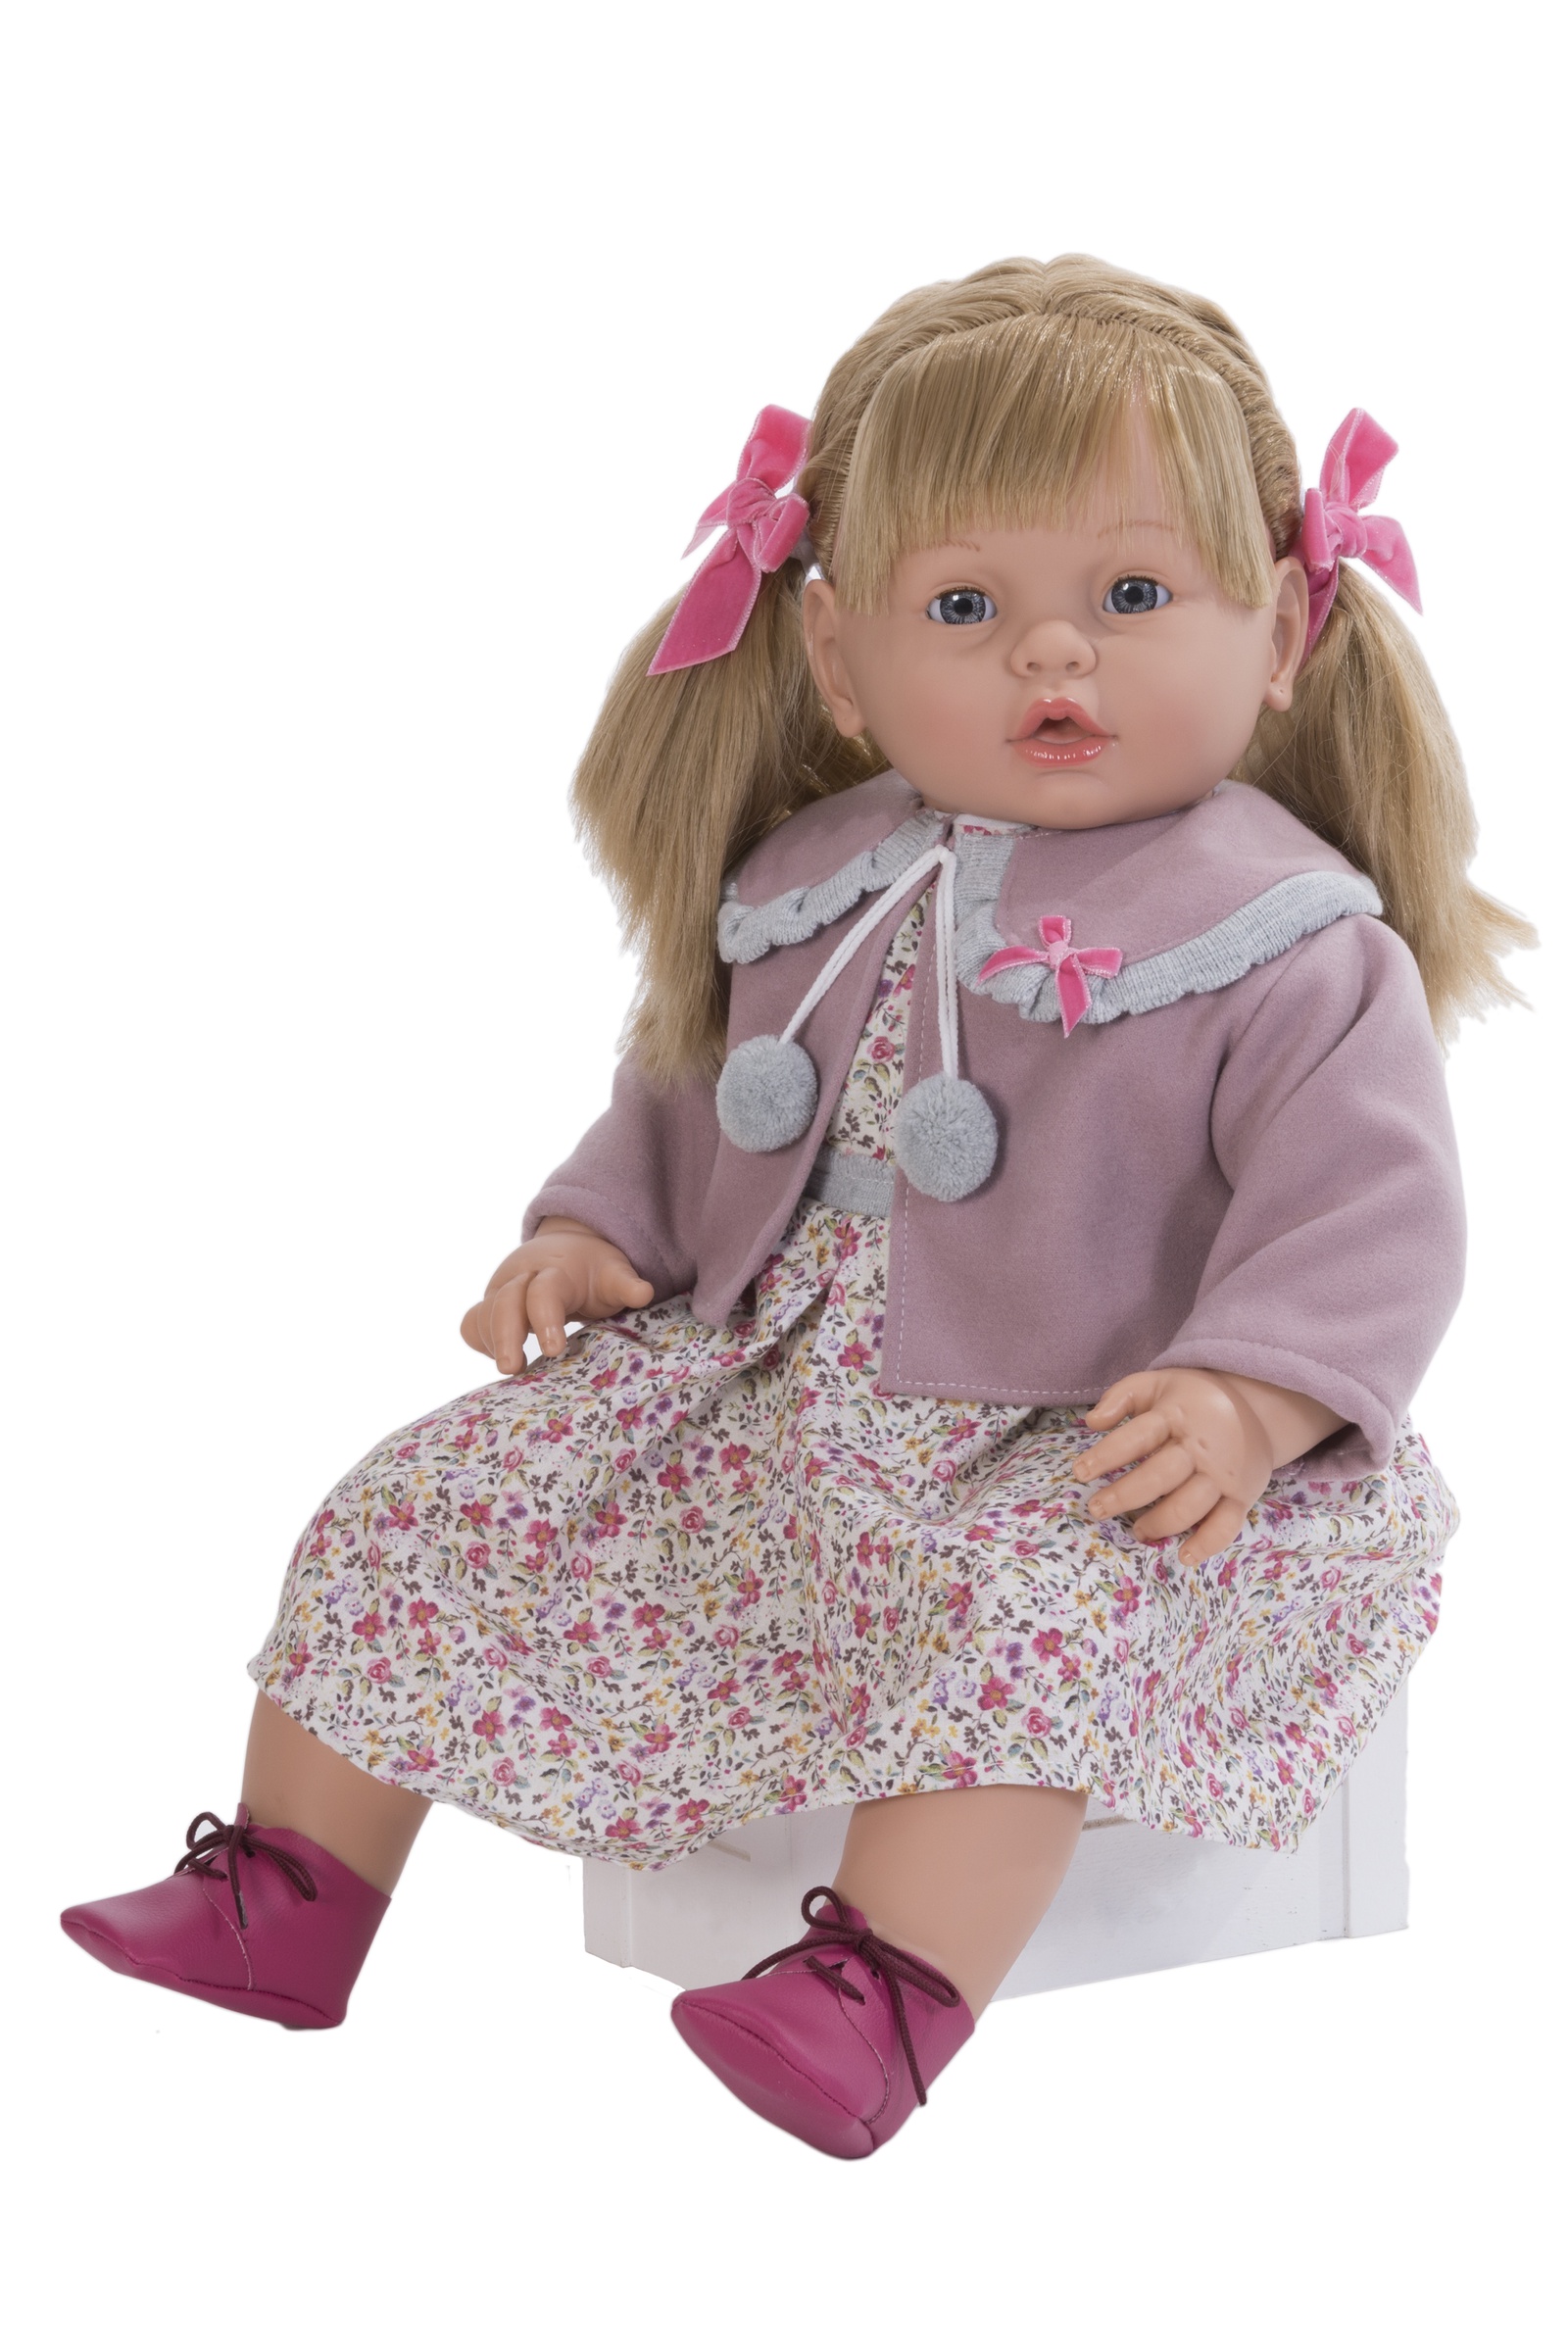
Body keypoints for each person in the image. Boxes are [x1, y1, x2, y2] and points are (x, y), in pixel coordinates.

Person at [61, 256, 1530, 2160]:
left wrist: (1253, 1394)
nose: (1052, 656)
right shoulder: (812, 880)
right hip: (779, 1376)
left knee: (1025, 1612)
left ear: (1285, 630)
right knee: (432, 1494)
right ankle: (293, 1886)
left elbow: (1372, 1212)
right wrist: (597, 1230)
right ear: (837, 656)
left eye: (1133, 596)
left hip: (1092, 1423)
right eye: (964, 607)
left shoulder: (1284, 938)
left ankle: (881, 1993)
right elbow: (687, 1090)